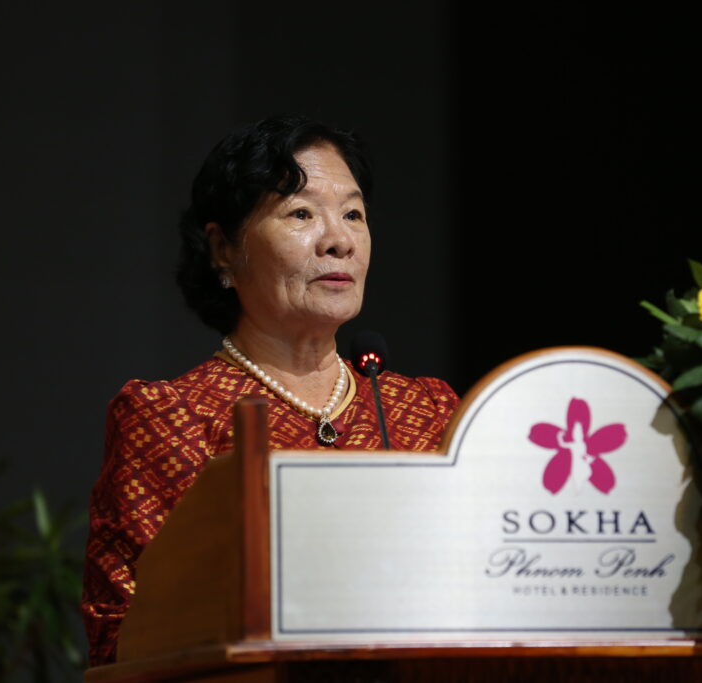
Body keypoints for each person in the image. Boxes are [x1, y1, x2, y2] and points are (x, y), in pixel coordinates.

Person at [81, 115, 459, 666]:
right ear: (222, 249)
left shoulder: (426, 409)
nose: (339, 241)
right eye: (301, 214)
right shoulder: (171, 417)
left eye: (353, 214)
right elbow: (121, 642)